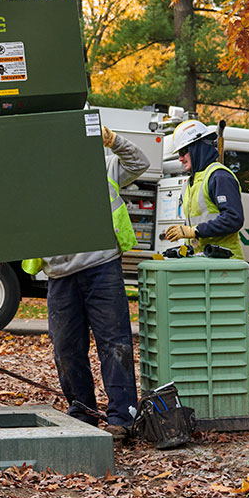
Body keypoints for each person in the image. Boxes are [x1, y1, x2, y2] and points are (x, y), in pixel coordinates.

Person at [23, 125, 148, 441]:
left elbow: (140, 163)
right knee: (66, 348)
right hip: (60, 274)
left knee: (114, 342)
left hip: (101, 266)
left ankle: (122, 417)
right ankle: (83, 413)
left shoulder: (103, 164)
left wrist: (113, 140)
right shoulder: (37, 175)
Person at [163, 119, 249, 427]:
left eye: (184, 152)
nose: (181, 159)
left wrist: (193, 230)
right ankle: (223, 400)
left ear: (199, 147)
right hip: (206, 268)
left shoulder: (219, 176)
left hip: (226, 268)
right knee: (213, 339)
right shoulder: (194, 182)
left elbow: (233, 218)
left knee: (238, 337)